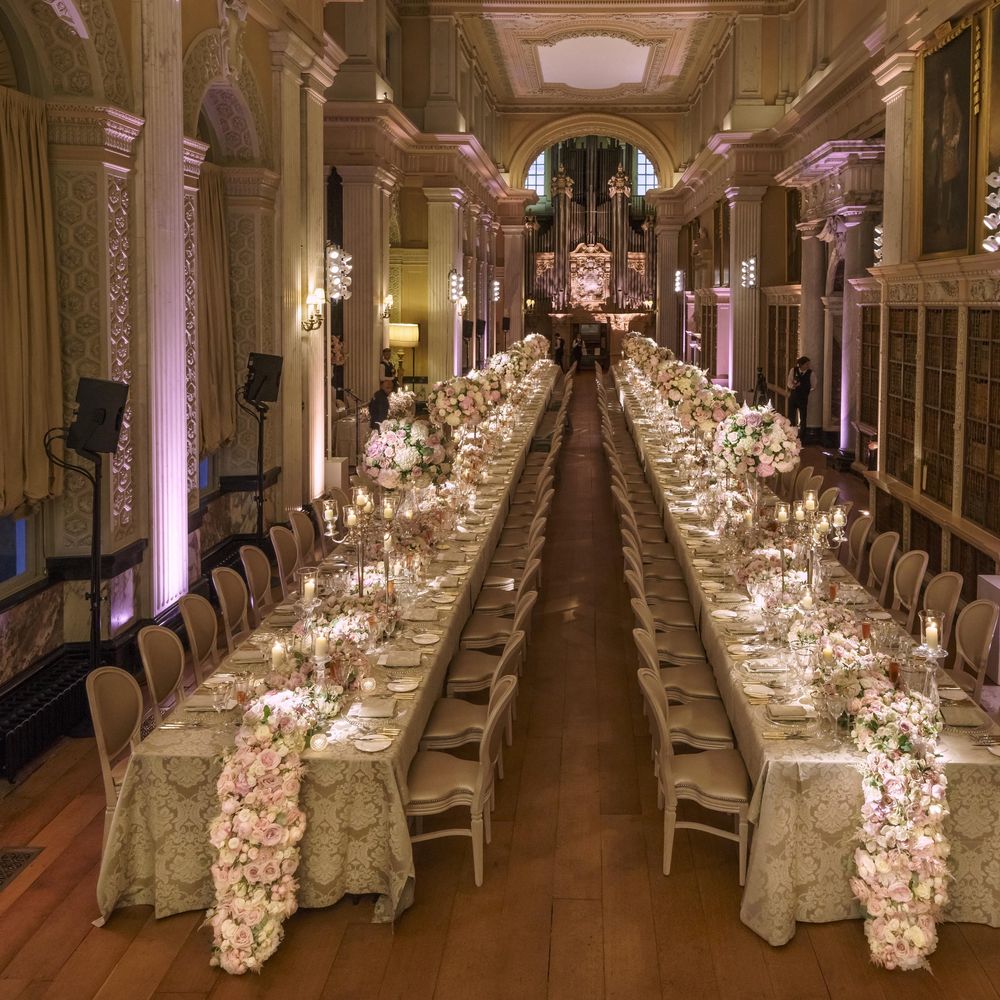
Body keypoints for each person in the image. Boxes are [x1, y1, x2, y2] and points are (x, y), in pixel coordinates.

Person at [786, 355, 815, 438]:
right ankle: (791, 435)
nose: (808, 366)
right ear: (801, 365)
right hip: (793, 397)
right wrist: (793, 386)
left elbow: (813, 385)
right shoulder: (793, 370)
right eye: (806, 364)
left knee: (803, 418)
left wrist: (805, 389)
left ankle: (802, 437)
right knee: (791, 417)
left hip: (803, 398)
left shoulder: (811, 373)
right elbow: (789, 382)